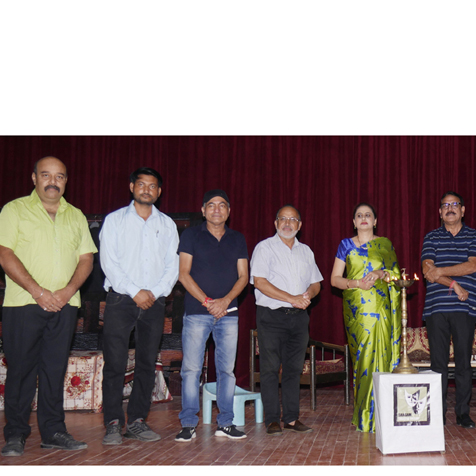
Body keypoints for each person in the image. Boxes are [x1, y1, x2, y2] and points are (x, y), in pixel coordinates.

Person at [0, 157, 96, 457]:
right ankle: (15, 434)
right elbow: (5, 253)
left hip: (66, 305)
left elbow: (86, 259)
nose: (52, 181)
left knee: (55, 370)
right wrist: (38, 292)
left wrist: (67, 292)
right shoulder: (14, 210)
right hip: (24, 304)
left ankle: (54, 432)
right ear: (34, 178)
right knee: (20, 370)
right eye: (46, 175)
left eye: (59, 176)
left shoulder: (76, 215)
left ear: (66, 181)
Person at [99, 167, 179, 445]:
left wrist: (154, 293)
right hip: (121, 299)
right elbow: (109, 262)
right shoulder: (114, 221)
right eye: (141, 184)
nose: (147, 189)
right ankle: (112, 423)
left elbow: (173, 266)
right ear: (132, 187)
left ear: (159, 191)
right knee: (115, 363)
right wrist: (135, 292)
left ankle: (136, 420)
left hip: (154, 302)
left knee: (147, 362)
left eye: (152, 185)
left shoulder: (167, 224)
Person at [174, 190, 249, 442]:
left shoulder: (237, 238)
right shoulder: (191, 235)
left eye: (222, 205)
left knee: (227, 371)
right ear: (203, 210)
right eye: (212, 205)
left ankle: (226, 422)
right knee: (191, 369)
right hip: (197, 312)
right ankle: (188, 423)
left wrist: (225, 301)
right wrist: (208, 302)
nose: (217, 209)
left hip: (228, 314)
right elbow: (184, 274)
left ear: (228, 211)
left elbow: (244, 277)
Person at [251, 205, 322, 436]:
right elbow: (259, 282)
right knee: (270, 369)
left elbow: (316, 284)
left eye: (293, 220)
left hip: (299, 318)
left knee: (293, 370)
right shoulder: (264, 248)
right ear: (275, 223)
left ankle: (291, 418)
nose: (288, 223)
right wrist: (292, 298)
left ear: (299, 225)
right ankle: (272, 420)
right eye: (283, 219)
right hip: (271, 316)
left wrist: (306, 297)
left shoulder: (306, 251)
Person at [330, 203, 401, 432]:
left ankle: (384, 415)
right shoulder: (345, 245)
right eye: (359, 215)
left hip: (381, 309)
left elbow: (397, 276)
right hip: (357, 312)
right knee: (363, 359)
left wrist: (382, 273)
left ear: (375, 220)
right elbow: (334, 279)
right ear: (353, 222)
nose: (363, 218)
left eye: (368, 215)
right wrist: (356, 283)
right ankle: (364, 415)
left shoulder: (385, 245)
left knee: (382, 355)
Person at [421, 191, 476, 428]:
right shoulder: (431, 238)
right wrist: (454, 284)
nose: (450, 208)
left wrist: (440, 271)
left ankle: (462, 413)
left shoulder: (475, 236)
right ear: (439, 212)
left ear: (463, 210)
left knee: (463, 364)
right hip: (436, 308)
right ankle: (437, 413)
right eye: (445, 205)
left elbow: (472, 265)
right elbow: (428, 270)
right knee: (437, 364)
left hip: (464, 308)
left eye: (454, 204)